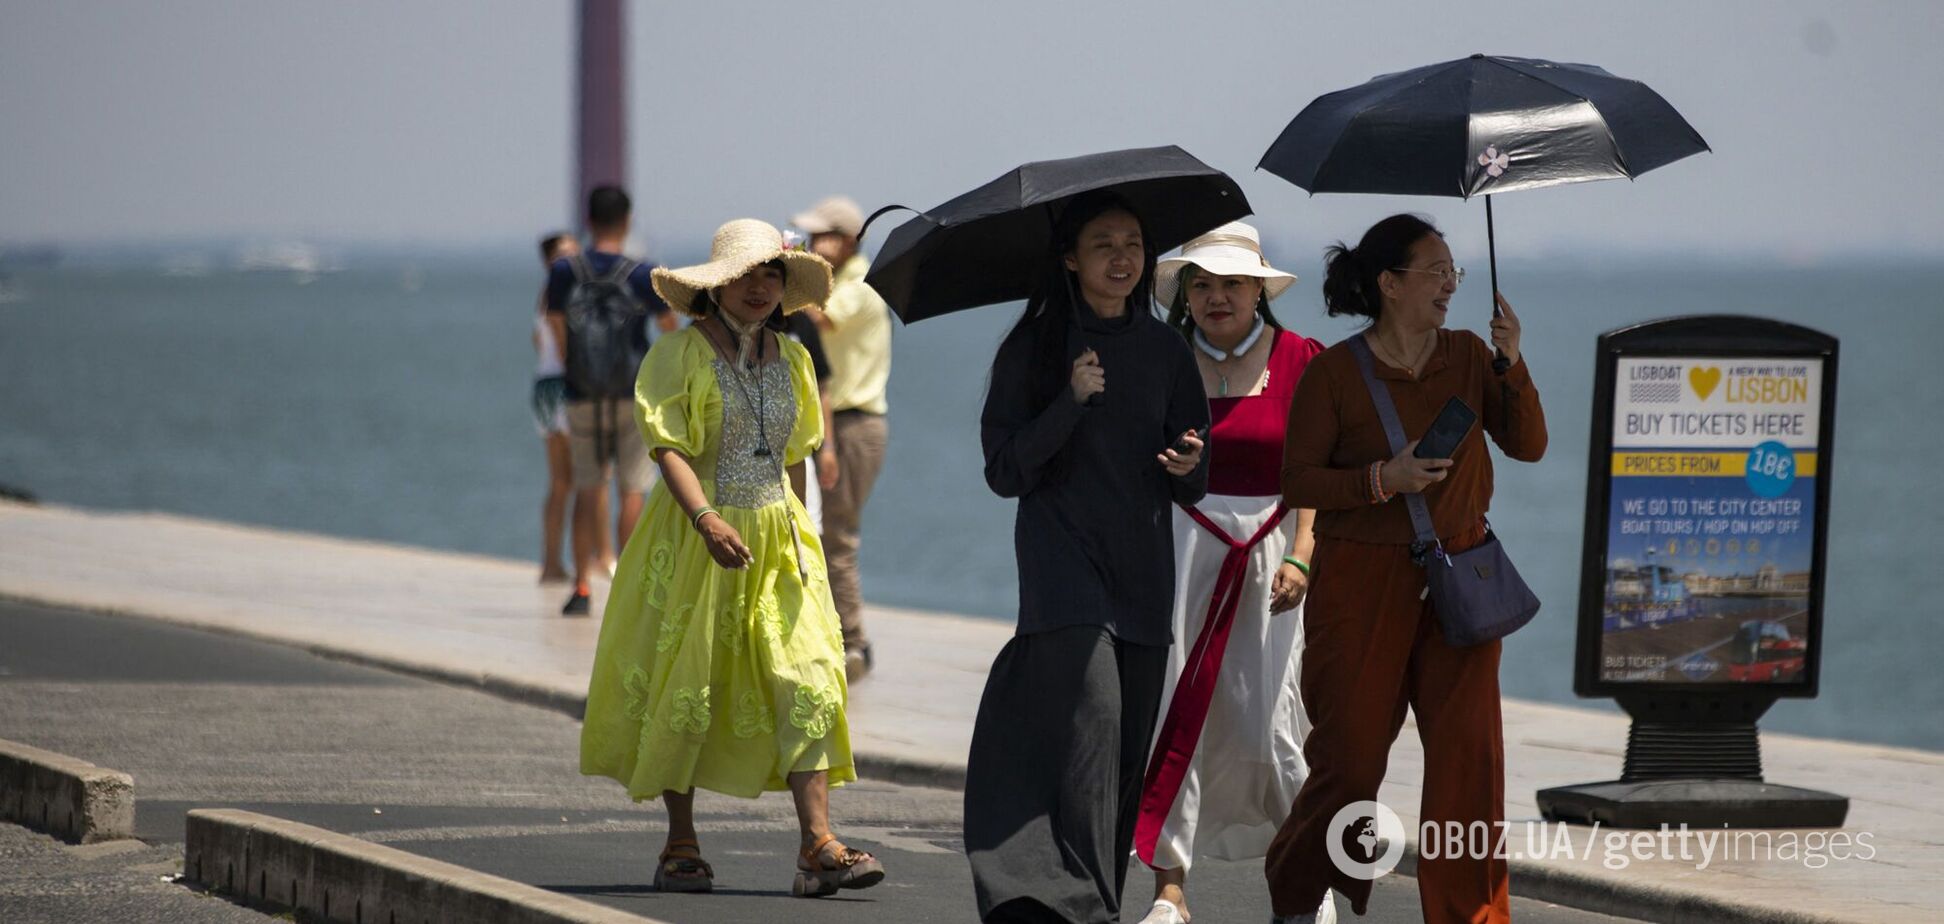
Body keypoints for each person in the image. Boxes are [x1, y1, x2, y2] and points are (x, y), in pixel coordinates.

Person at [579, 218, 885, 898]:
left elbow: (800, 455)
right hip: (695, 535)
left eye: (772, 275)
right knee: (688, 683)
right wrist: (706, 518)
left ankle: (818, 845)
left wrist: (807, 538)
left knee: (808, 676)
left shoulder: (797, 359)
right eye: (746, 275)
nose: (760, 287)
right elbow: (668, 449)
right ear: (715, 286)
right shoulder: (677, 356)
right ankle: (680, 842)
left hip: (780, 536)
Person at [1264, 215, 1547, 924]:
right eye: (1436, 270)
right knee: (1349, 765)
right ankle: (1296, 894)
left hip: (1463, 575)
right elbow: (1298, 482)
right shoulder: (1333, 373)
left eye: (1455, 270)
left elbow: (1530, 445)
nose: (1452, 283)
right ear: (1391, 285)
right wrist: (1380, 479)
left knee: (1468, 770)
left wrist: (1512, 363)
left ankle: (1472, 918)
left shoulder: (1471, 355)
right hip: (1361, 583)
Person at [965, 191, 1209, 924]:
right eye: (1103, 243)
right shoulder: (1035, 347)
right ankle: (1078, 907)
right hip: (1062, 567)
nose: (1122, 257)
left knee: (1122, 758)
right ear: (1070, 258)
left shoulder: (1168, 348)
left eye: (1133, 242)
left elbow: (1196, 474)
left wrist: (1188, 462)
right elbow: (1005, 471)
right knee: (1094, 724)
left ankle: (1092, 902)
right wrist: (1069, 400)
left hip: (1141, 571)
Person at [1133, 223, 1334, 924]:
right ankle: (1170, 890)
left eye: (1232, 283)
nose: (1217, 297)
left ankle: (1306, 886)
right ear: (1185, 293)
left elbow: (1315, 471)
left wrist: (1306, 552)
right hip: (1184, 553)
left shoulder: (1304, 358)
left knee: (1274, 724)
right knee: (1176, 712)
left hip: (1278, 556)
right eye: (1202, 283)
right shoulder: (1161, 359)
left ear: (1259, 290)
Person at [544, 185, 677, 616]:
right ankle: (630, 586)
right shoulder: (642, 274)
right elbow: (669, 325)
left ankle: (581, 585)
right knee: (632, 489)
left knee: (588, 485)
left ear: (588, 220)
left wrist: (570, 365)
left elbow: (554, 320)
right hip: (630, 392)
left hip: (581, 393)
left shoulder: (565, 271)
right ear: (627, 220)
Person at [791, 196, 892, 681]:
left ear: (847, 239)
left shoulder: (859, 286)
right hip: (838, 422)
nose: (812, 244)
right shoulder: (841, 282)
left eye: (820, 236)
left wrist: (788, 275)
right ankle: (837, 633)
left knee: (837, 536)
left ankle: (854, 641)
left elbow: (817, 317)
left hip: (853, 425)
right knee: (825, 531)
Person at [534, 231, 582, 583]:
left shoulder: (543, 294)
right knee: (583, 480)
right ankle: (589, 560)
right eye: (562, 253)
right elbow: (564, 347)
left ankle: (552, 563)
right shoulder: (561, 294)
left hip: (544, 387)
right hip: (566, 388)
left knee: (562, 482)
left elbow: (539, 344)